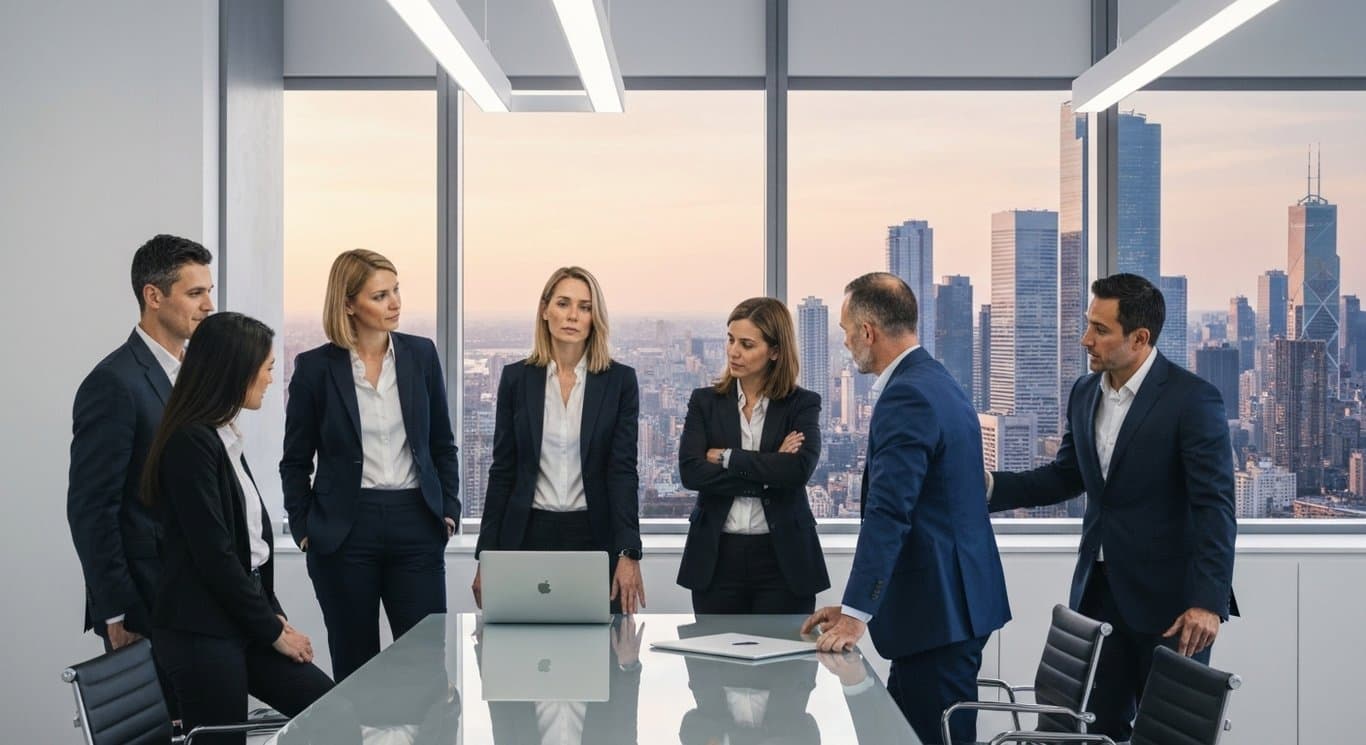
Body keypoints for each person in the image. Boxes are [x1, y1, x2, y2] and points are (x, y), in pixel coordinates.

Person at [986, 273, 1237, 741]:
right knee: (1090, 729)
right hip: (1097, 595)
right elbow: (1067, 475)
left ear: (1139, 338)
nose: (1086, 340)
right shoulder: (1085, 393)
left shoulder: (1192, 400)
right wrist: (987, 489)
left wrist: (1208, 603)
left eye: (1100, 330)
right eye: (1089, 325)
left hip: (1172, 607)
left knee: (1170, 734)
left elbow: (1215, 507)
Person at [802, 272, 1010, 745]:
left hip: (938, 616)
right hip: (948, 608)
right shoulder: (937, 380)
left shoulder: (907, 396)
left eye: (846, 330)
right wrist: (861, 609)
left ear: (868, 332)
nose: (845, 341)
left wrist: (857, 613)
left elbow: (890, 512)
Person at [143, 312, 333, 743]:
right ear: (235, 370)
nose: (271, 379)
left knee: (331, 707)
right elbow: (214, 555)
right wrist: (271, 630)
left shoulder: (223, 435)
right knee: (222, 740)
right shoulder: (190, 441)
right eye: (266, 368)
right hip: (201, 630)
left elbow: (250, 547)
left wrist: (274, 616)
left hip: (242, 617)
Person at [281, 249, 461, 682]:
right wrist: (305, 530)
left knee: (424, 664)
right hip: (344, 530)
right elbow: (295, 460)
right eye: (380, 296)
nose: (395, 303)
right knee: (354, 664)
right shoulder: (314, 368)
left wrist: (448, 511)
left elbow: (442, 443)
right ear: (348, 304)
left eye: (396, 291)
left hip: (416, 521)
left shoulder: (421, 356)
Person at [67, 233, 214, 717]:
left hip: (199, 595)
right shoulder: (113, 383)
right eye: (195, 293)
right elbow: (92, 508)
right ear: (154, 296)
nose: (208, 305)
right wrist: (117, 612)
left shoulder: (195, 374)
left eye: (209, 292)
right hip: (145, 604)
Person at [473, 266, 645, 614]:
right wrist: (486, 556)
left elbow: (623, 472)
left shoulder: (619, 382)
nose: (572, 315)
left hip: (595, 536)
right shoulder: (515, 379)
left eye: (584, 307)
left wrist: (629, 552)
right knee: (524, 656)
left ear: (595, 316)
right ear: (545, 309)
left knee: (599, 658)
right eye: (564, 303)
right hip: (526, 535)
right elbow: (502, 471)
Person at [676, 296, 829, 613]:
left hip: (783, 560)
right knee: (713, 660)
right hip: (717, 558)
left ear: (774, 351)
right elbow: (691, 472)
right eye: (730, 340)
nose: (734, 352)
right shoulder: (705, 402)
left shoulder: (801, 404)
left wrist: (729, 458)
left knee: (785, 661)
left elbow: (798, 471)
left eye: (747, 344)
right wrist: (771, 468)